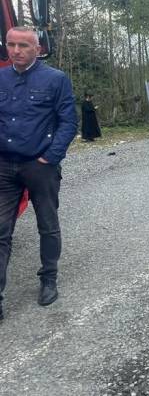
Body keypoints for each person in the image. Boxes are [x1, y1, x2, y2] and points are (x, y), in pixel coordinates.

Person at [0, 27, 78, 319]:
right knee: (1, 231)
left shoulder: (55, 79)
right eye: (11, 44)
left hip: (39, 165)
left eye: (23, 45)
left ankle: (48, 278)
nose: (16, 50)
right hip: (4, 165)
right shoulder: (1, 78)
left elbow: (68, 122)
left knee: (47, 224)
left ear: (37, 48)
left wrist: (50, 157)